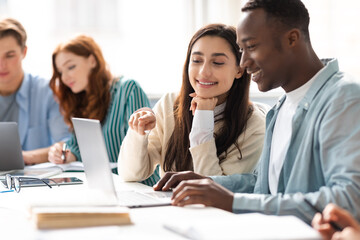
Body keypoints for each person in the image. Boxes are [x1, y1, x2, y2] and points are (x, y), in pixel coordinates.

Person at [153, 0, 360, 225]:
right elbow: (261, 185)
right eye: (241, 50)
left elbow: (349, 200)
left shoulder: (343, 98)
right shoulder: (281, 107)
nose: (244, 63)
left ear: (292, 39)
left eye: (251, 47)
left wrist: (233, 202)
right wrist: (208, 183)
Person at [118, 24, 266, 182]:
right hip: (167, 205)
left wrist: (203, 119)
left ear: (239, 70)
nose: (203, 72)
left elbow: (216, 189)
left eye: (217, 63)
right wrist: (139, 132)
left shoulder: (254, 124)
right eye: (196, 60)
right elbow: (131, 174)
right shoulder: (170, 103)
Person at [48, 35, 159, 186]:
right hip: (105, 186)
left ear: (92, 61)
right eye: (61, 72)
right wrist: (65, 154)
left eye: (71, 67)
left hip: (139, 186)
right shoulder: (81, 101)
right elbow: (79, 148)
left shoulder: (127, 89)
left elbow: (141, 146)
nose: (65, 77)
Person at [0, 18, 70, 164]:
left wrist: (25, 157)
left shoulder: (47, 92)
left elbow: (66, 144)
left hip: (38, 181)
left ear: (23, 52)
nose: (2, 65)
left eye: (10, 55)